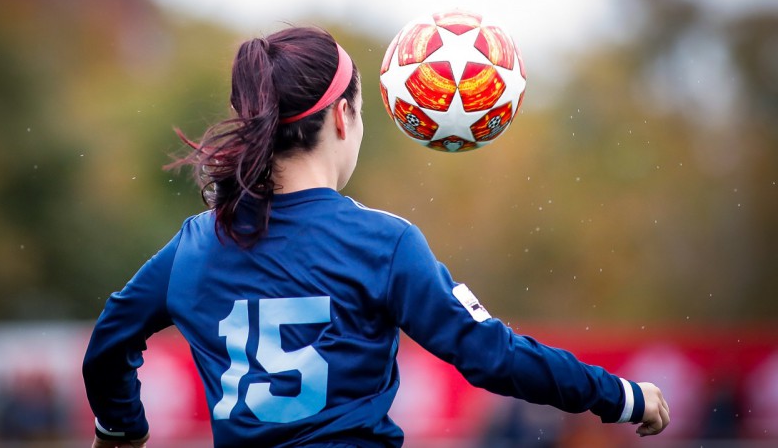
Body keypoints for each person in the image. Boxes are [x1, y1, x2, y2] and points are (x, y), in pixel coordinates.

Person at [83, 26, 669, 448]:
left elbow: (108, 343)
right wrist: (618, 395)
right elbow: (490, 355)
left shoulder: (195, 245)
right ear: (342, 117)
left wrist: (121, 429)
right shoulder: (382, 244)